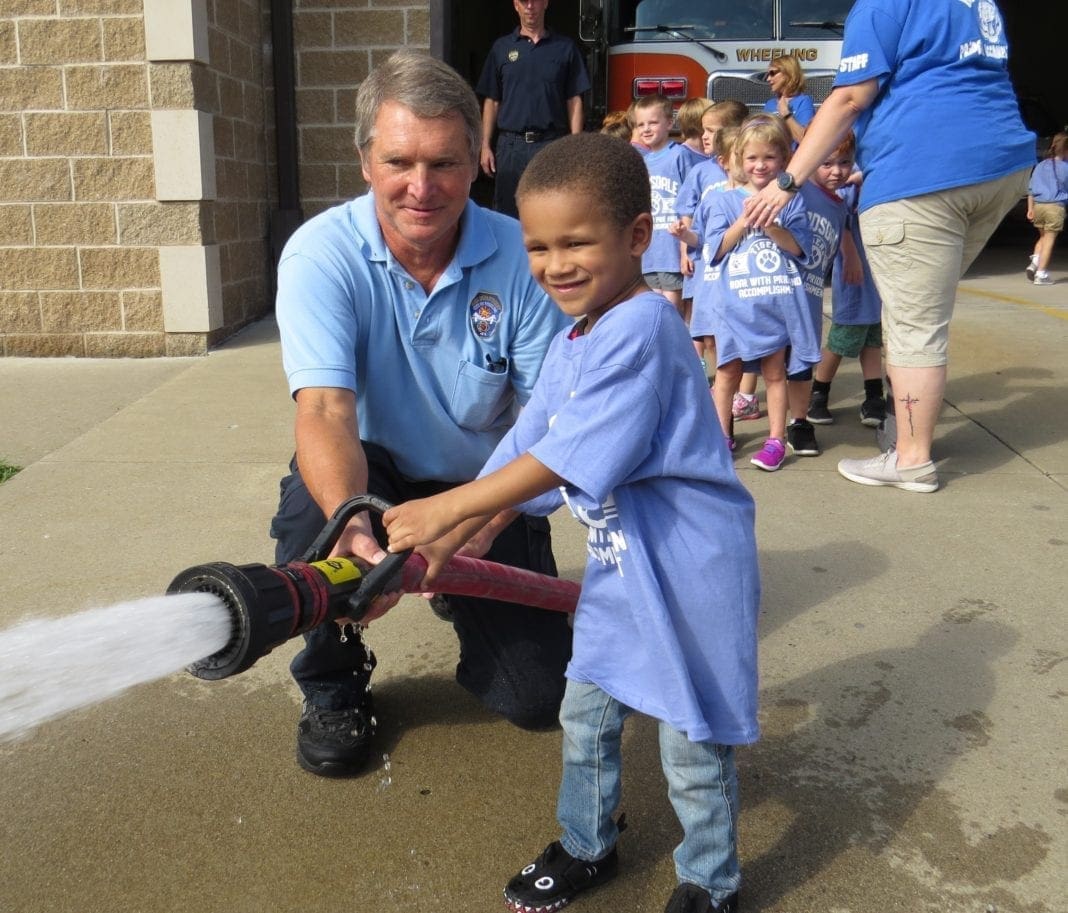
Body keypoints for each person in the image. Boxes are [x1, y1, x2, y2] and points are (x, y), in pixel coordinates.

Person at [382, 132, 758, 913]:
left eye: (577, 242)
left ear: (637, 237)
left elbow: (572, 455)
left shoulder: (647, 326)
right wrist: (471, 529)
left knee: (691, 737)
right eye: (539, 247)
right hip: (624, 566)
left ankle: (709, 880)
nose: (556, 265)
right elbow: (531, 439)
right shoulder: (575, 336)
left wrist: (447, 507)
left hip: (690, 571)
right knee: (585, 712)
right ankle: (588, 843)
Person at [270, 50, 573, 778]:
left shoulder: (524, 257)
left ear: (478, 159)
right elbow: (325, 410)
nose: (421, 187)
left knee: (536, 697)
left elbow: (548, 427)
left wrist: (468, 531)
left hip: (483, 485)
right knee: (309, 528)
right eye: (399, 160)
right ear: (364, 159)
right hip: (371, 471)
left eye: (444, 163)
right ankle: (335, 682)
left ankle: (457, 597)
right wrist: (351, 522)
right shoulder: (320, 255)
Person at [745, 0, 1034, 493]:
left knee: (912, 323)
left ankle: (912, 459)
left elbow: (849, 98)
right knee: (924, 310)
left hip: (924, 173)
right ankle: (908, 429)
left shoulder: (882, 4)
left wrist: (788, 181)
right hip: (1001, 166)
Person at [673, 116, 819, 469]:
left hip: (775, 301)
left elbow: (802, 250)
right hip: (732, 304)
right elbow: (715, 250)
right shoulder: (721, 201)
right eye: (752, 158)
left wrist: (771, 225)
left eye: (769, 158)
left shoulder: (793, 201)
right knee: (727, 373)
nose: (760, 165)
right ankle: (722, 434)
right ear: (738, 159)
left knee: (774, 374)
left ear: (784, 160)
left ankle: (776, 440)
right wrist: (745, 220)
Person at [477, 0, 590, 218]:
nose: (530, 6)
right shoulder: (501, 49)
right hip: (511, 147)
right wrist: (485, 145)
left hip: (551, 144)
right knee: (508, 216)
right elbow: (492, 101)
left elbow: (574, 100)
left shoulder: (565, 49)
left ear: (545, 3)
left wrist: (576, 146)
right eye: (523, 1)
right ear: (515, 5)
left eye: (535, 1)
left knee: (552, 213)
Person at [808, 140, 888, 428]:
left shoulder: (858, 178)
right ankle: (819, 391)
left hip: (876, 275)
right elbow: (839, 221)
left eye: (844, 163)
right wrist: (850, 254)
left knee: (872, 337)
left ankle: (873, 395)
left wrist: (862, 175)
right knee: (844, 334)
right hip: (854, 277)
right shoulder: (830, 194)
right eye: (827, 164)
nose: (837, 171)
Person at [635, 94, 692, 311]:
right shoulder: (642, 161)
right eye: (641, 124)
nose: (646, 129)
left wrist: (685, 249)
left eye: (653, 123)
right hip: (651, 252)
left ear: (669, 123)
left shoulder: (679, 155)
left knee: (672, 309)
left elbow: (690, 201)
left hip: (672, 249)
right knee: (653, 307)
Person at [1026, 131, 1068, 286]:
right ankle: (1041, 274)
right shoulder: (1065, 168)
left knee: (1042, 237)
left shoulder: (1040, 166)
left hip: (1038, 206)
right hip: (1054, 207)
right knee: (1049, 239)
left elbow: (1030, 189)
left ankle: (1034, 263)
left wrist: (1030, 208)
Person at [763, 54, 814, 145]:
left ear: (787, 73)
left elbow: (805, 140)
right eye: (767, 75)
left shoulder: (803, 101)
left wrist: (786, 115)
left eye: (772, 73)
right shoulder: (769, 104)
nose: (768, 79)